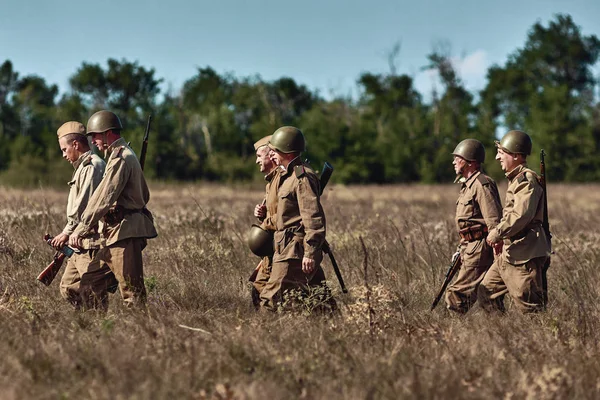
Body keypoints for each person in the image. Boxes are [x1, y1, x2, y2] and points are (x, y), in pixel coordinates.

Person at [69, 110, 158, 308]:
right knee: (89, 284)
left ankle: (143, 335)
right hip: (114, 235)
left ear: (108, 133)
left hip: (124, 233)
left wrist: (81, 228)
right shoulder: (118, 155)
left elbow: (103, 197)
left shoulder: (120, 157)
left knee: (132, 295)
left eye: (95, 136)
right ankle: (96, 330)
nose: (93, 142)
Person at [259, 126, 334, 312]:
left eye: (274, 151)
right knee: (319, 300)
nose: (272, 155)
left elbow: (313, 217)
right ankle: (335, 327)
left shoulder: (302, 177)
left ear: (286, 151)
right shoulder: (288, 175)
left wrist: (310, 253)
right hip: (285, 245)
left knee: (270, 298)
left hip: (295, 248)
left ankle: (258, 337)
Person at [478, 130, 551, 313]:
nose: (497, 157)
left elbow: (520, 215)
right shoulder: (516, 180)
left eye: (501, 153)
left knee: (530, 310)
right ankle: (503, 337)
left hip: (524, 254)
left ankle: (540, 341)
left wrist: (498, 232)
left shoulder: (527, 180)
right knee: (486, 292)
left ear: (517, 156)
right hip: (510, 252)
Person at [53, 121, 116, 310]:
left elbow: (84, 207)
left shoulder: (92, 166)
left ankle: (96, 325)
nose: (64, 155)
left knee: (91, 290)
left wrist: (67, 232)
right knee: (68, 287)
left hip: (89, 241)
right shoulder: (82, 167)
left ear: (75, 145)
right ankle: (85, 321)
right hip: (78, 240)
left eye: (64, 149)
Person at [445, 139, 502, 313]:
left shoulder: (481, 184)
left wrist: (497, 249)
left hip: (480, 247)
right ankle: (501, 331)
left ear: (470, 161)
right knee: (490, 298)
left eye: (458, 158)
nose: (454, 161)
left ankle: (452, 334)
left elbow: (494, 219)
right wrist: (462, 247)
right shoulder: (467, 186)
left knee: (457, 296)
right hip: (469, 246)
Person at [248, 134, 282, 308]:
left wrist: (267, 220)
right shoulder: (271, 182)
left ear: (271, 155)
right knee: (258, 288)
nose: (256, 161)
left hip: (285, 246)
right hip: (272, 247)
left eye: (259, 156)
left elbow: (290, 215)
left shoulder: (284, 179)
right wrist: (262, 214)